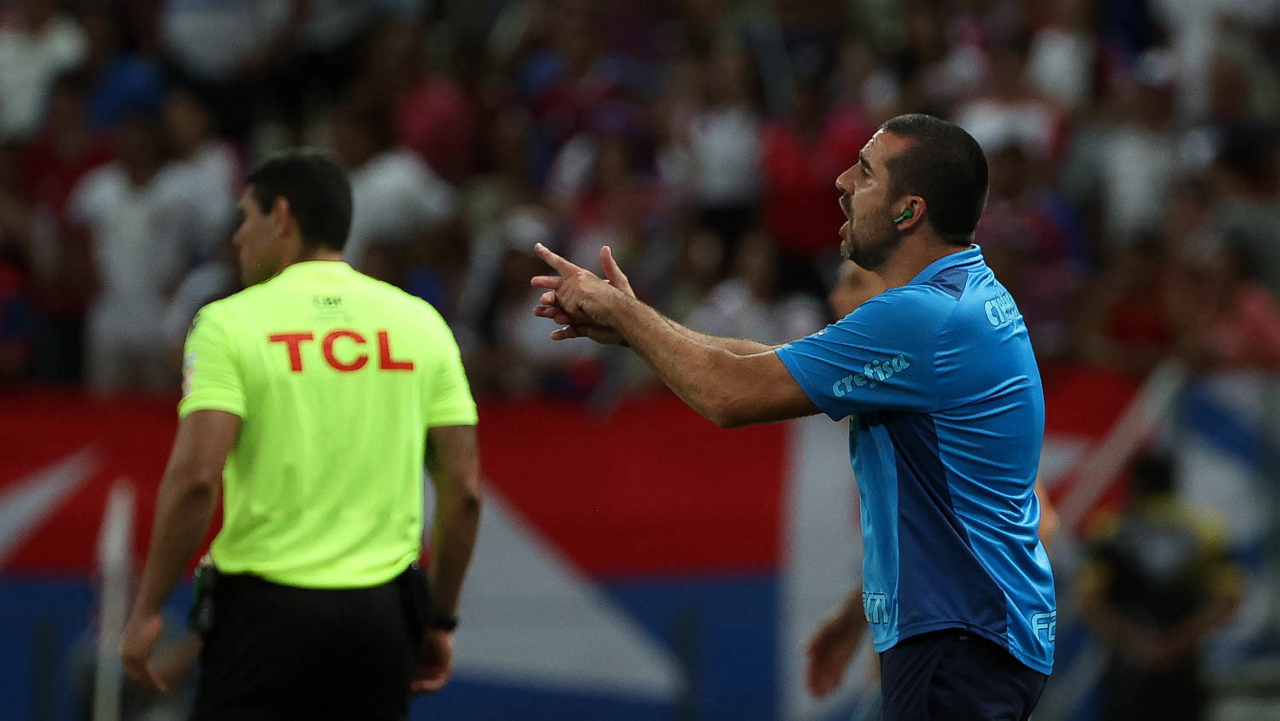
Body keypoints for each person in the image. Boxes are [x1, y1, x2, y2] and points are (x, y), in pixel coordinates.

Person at [532, 114, 1054, 719]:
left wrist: (625, 316)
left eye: (865, 172)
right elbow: (766, 364)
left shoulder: (924, 318)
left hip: (959, 640)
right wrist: (635, 327)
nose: (841, 181)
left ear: (909, 211)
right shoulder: (965, 295)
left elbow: (731, 395)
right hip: (978, 636)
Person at [120, 149, 482, 719]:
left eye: (246, 217)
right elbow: (464, 491)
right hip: (382, 620)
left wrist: (147, 610)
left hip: (266, 617)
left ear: (282, 216)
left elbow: (196, 479)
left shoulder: (229, 323)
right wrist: (439, 620)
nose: (237, 236)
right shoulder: (422, 324)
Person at [1079, 451, 1242, 721]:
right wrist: (1176, 645)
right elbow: (1229, 599)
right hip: (1184, 670)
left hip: (1127, 672)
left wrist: (1135, 645)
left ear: (1136, 484)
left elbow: (1089, 600)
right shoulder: (1206, 530)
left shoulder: (1110, 530)